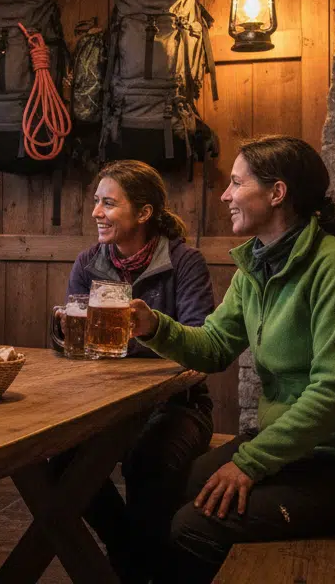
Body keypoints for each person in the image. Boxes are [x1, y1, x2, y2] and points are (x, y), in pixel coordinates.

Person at [130, 135, 335, 583]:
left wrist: (249, 463)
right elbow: (214, 346)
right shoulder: (256, 268)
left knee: (192, 528)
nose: (225, 195)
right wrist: (153, 326)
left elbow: (332, 393)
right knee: (165, 491)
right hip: (289, 449)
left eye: (237, 183)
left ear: (277, 193)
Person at [52, 159, 216, 583]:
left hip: (178, 405)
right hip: (102, 403)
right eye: (96, 202)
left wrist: (136, 337)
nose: (96, 212)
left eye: (108, 203)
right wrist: (63, 331)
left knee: (149, 461)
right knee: (56, 458)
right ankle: (128, 551)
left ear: (144, 213)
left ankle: (137, 566)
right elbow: (78, 349)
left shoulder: (184, 262)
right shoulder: (88, 262)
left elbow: (198, 342)